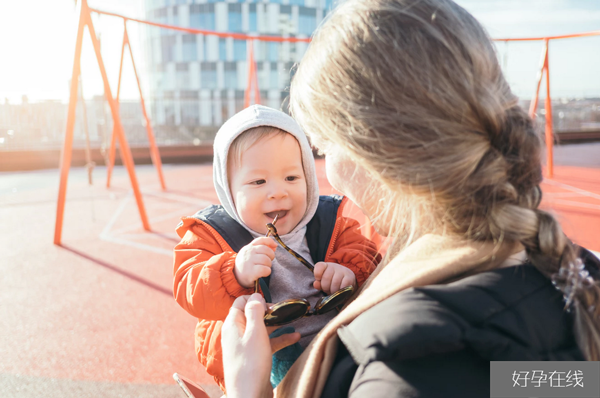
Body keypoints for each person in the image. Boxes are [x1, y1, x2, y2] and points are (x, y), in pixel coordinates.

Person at [220, 0, 600, 397]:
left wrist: (248, 393)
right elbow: (527, 382)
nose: (328, 175)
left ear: (374, 152)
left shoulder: (401, 368)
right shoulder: (574, 270)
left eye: (324, 146)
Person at [172, 105, 381, 392]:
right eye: (258, 181)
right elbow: (188, 286)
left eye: (292, 178)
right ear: (228, 190)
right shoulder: (211, 234)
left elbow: (367, 253)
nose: (278, 191)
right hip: (260, 359)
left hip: (334, 344)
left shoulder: (329, 221)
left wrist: (349, 271)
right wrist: (233, 271)